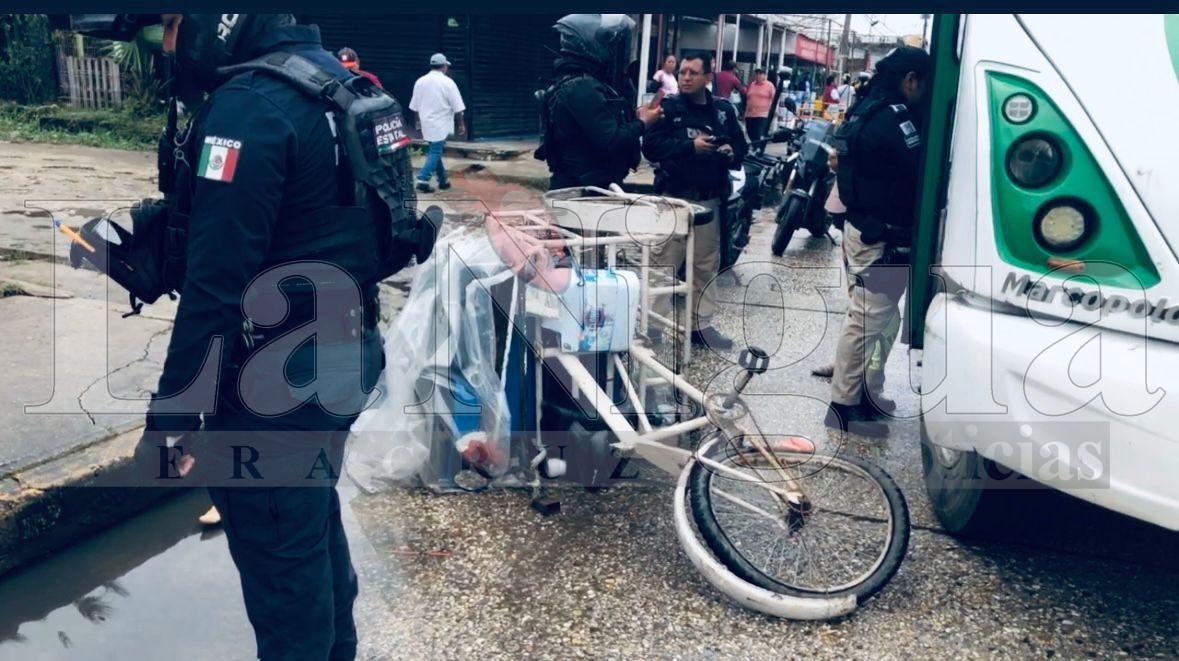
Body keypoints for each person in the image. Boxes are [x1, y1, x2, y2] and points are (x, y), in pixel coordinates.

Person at [123, 13, 404, 658]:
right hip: (344, 354)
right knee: (307, 530)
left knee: (284, 572)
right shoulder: (339, 85)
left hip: (274, 384)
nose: (167, 45)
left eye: (170, 24)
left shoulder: (249, 106)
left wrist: (173, 414)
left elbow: (215, 287)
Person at [823, 46, 932, 437]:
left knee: (874, 319)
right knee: (867, 321)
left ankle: (865, 395)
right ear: (910, 80)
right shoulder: (895, 118)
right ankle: (842, 408)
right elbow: (920, 169)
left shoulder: (864, 108)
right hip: (882, 238)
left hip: (862, 229)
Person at [642, 51, 747, 351]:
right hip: (673, 200)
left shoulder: (723, 111)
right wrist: (690, 147)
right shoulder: (669, 107)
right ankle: (652, 326)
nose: (686, 77)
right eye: (683, 72)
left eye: (693, 73)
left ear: (707, 77)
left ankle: (701, 327)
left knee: (705, 266)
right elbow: (651, 147)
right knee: (663, 265)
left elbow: (741, 146)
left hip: (709, 201)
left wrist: (729, 151)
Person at [535, 14, 661, 190]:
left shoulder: (581, 83)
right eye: (607, 42)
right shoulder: (581, 87)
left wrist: (636, 117)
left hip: (589, 187)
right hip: (583, 192)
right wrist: (643, 123)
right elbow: (611, 141)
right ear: (587, 43)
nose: (610, 48)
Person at [410, 53, 466, 193]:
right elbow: (457, 106)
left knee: (435, 151)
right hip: (441, 124)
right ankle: (422, 179)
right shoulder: (448, 82)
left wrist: (418, 123)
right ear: (444, 66)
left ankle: (443, 180)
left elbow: (415, 106)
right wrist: (461, 124)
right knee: (435, 151)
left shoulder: (420, 81)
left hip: (426, 123)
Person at [744, 67, 775, 144]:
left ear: (765, 75)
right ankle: (756, 147)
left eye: (760, 74)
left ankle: (757, 149)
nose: (757, 76)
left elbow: (774, 99)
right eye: (757, 74)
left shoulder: (769, 85)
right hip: (750, 114)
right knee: (750, 133)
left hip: (762, 115)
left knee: (758, 134)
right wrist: (745, 113)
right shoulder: (752, 84)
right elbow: (748, 99)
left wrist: (774, 111)